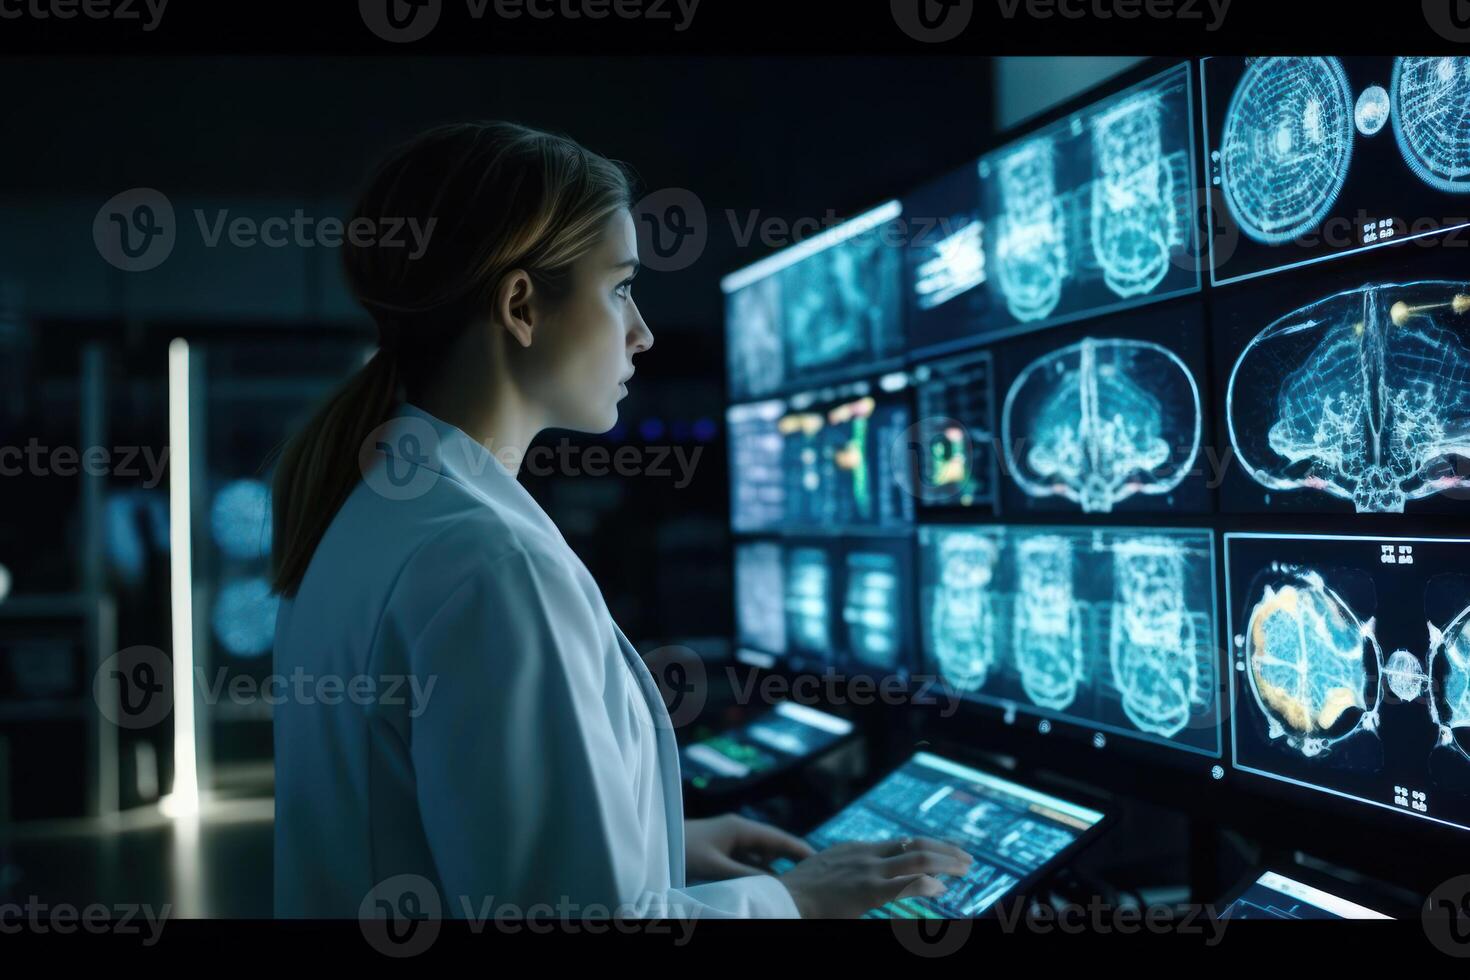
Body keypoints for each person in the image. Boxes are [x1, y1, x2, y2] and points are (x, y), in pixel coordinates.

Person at [269, 121, 971, 919]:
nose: (641, 333)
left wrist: (662, 846)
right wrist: (793, 901)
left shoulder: (378, 508)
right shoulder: (491, 563)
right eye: (620, 287)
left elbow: (464, 834)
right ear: (522, 306)